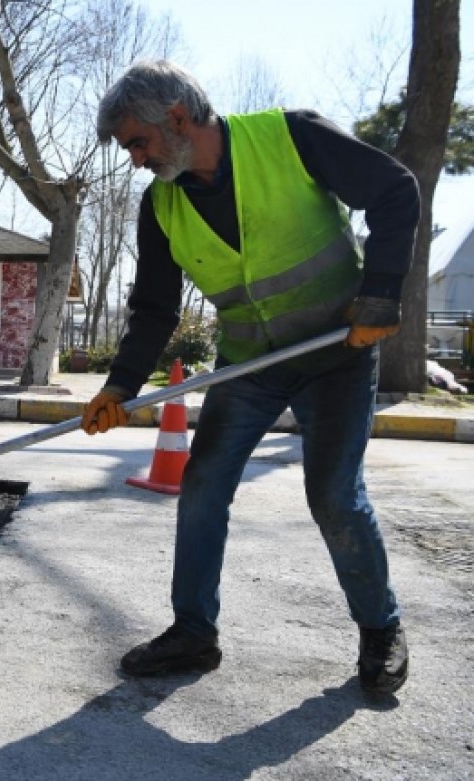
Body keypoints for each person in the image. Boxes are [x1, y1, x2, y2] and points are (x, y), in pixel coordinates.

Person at [86, 60, 416, 694]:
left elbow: (396, 190)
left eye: (138, 142)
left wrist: (380, 295)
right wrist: (120, 387)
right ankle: (192, 634)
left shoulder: (292, 136)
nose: (134, 160)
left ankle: (381, 631)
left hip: (337, 353)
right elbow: (154, 307)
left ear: (177, 118)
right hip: (250, 364)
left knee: (335, 497)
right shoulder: (161, 204)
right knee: (203, 485)